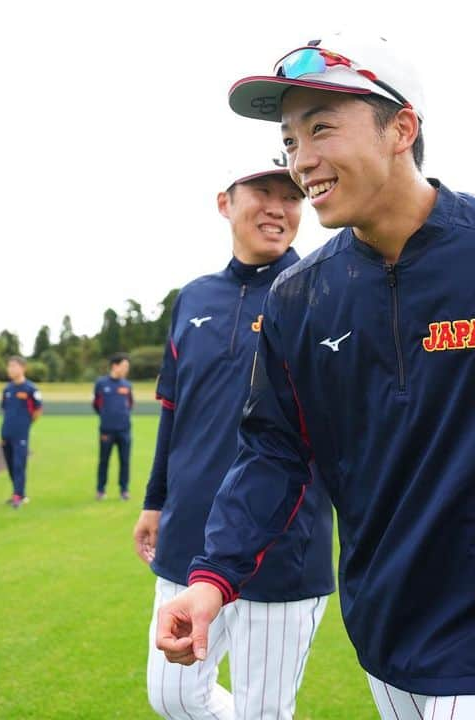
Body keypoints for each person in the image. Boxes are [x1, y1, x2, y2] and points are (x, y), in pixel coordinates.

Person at [155, 33, 475, 719]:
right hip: (380, 623)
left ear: (402, 127)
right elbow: (274, 453)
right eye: (289, 140)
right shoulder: (298, 297)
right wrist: (212, 580)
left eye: (321, 130)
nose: (301, 162)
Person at [133, 131, 334, 720]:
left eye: (290, 194)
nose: (277, 206)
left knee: (264, 713)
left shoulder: (322, 290)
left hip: (283, 542)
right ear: (226, 202)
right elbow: (174, 411)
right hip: (187, 536)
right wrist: (154, 502)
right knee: (172, 695)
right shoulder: (193, 297)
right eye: (261, 191)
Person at [0, 355, 43, 508]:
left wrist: (26, 423)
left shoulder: (31, 389)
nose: (11, 369)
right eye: (9, 366)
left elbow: (38, 410)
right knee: (11, 464)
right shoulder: (7, 389)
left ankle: (18, 495)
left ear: (22, 368)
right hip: (6, 432)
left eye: (14, 366)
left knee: (19, 464)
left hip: (21, 433)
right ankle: (19, 493)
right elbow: (4, 409)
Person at [93, 353, 133, 500]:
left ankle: (124, 490)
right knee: (104, 461)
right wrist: (106, 418)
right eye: (124, 366)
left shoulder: (127, 385)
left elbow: (130, 405)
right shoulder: (101, 383)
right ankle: (100, 490)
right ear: (115, 366)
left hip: (124, 430)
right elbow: (96, 404)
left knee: (125, 461)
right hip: (107, 430)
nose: (126, 369)